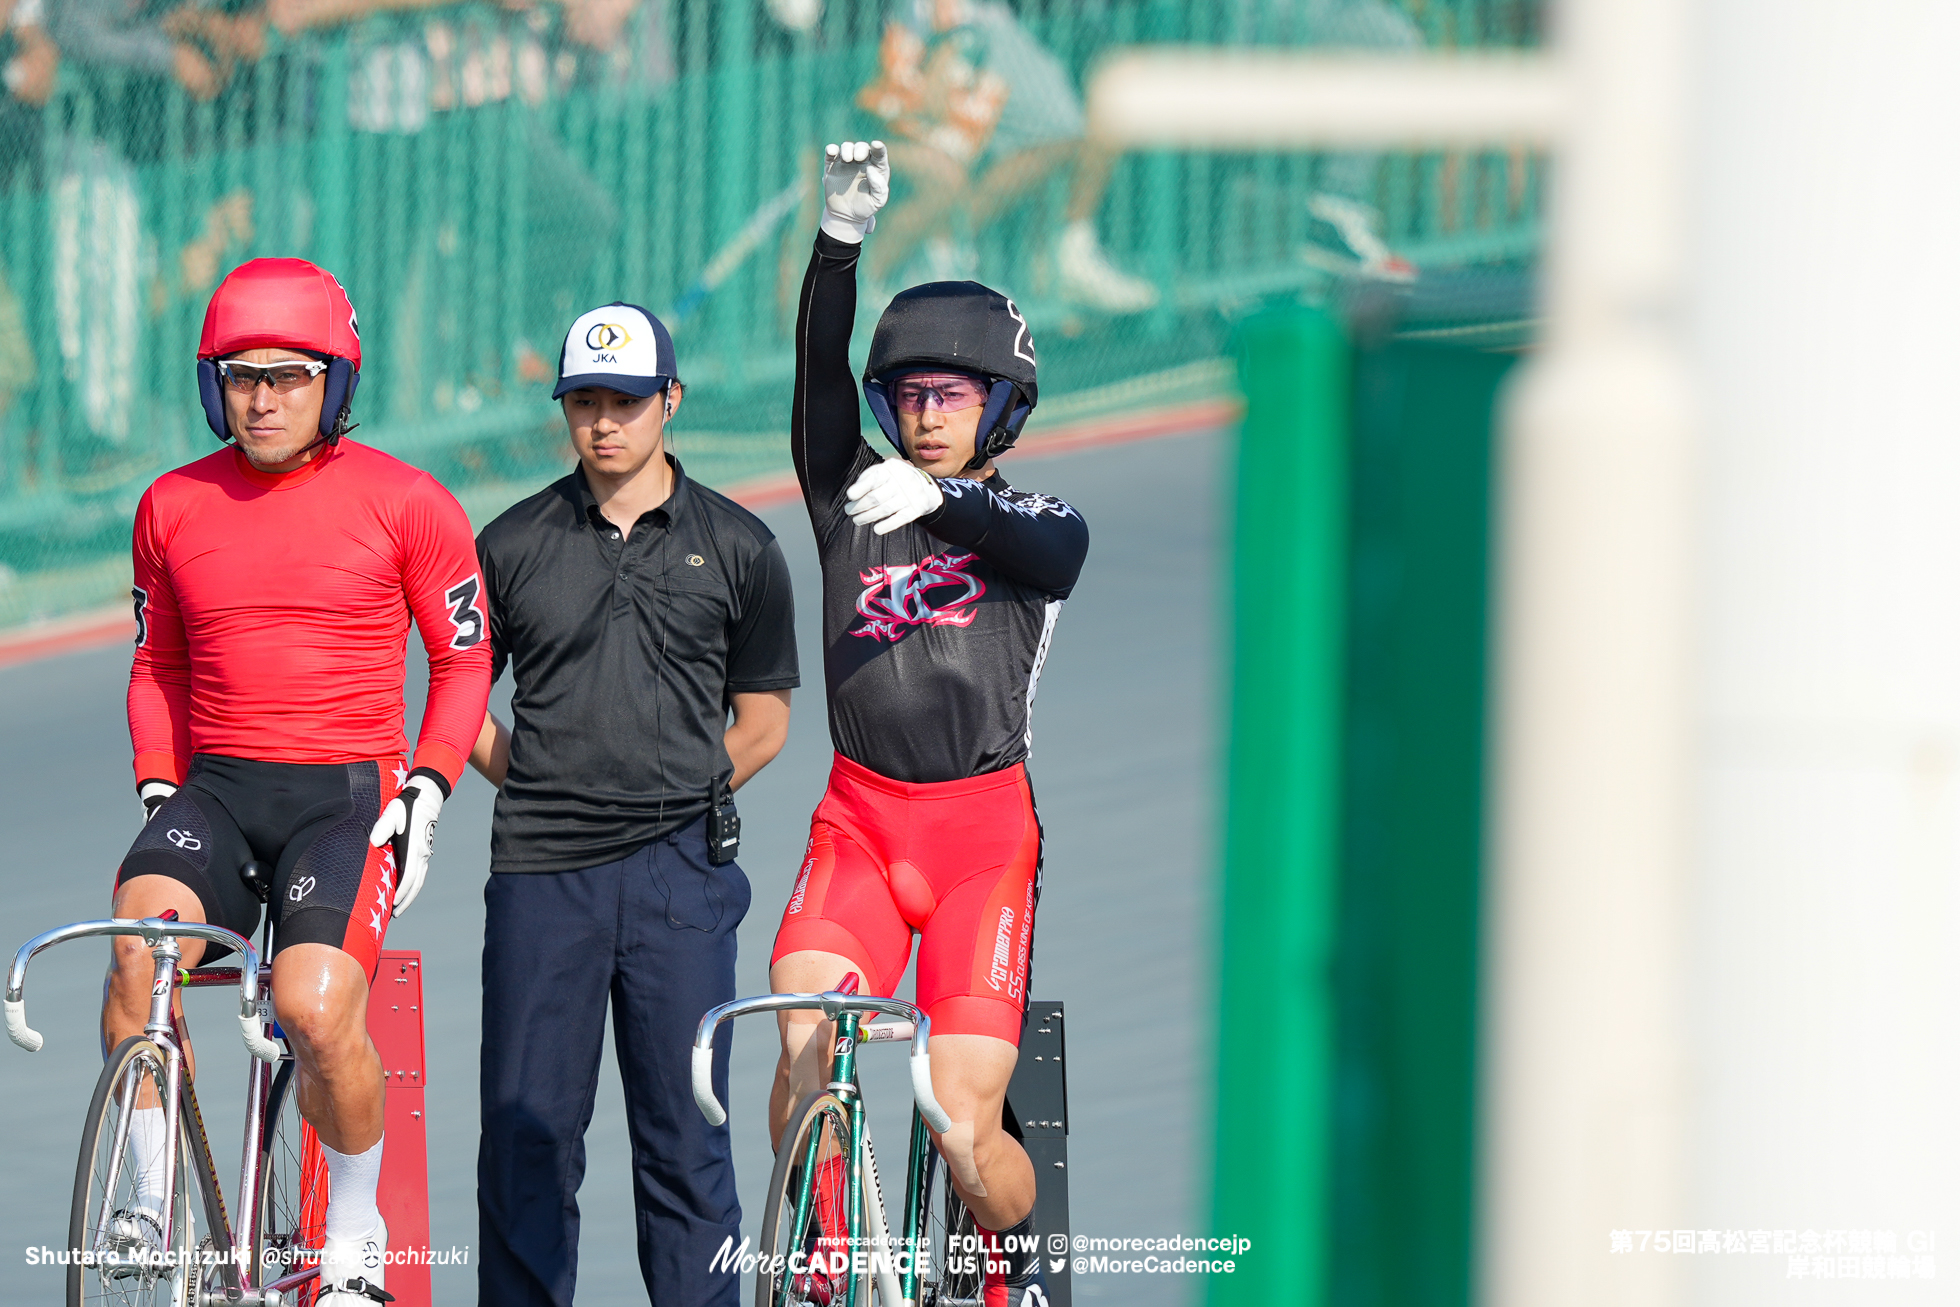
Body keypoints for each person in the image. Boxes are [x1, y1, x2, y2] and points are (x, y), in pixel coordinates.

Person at [112, 257, 493, 1303]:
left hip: (344, 797)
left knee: (316, 1009)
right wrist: (158, 788)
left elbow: (463, 661)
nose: (263, 397)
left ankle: (357, 1227)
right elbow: (158, 665)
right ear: (212, 384)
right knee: (138, 950)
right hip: (218, 790)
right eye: (241, 376)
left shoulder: (409, 502)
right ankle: (145, 1200)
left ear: (336, 383)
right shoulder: (169, 505)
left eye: (288, 375)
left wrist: (425, 793)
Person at [769, 139, 1088, 1307]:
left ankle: (1004, 1254)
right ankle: (828, 1239)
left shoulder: (1029, 520)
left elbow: (1053, 549)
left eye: (949, 396)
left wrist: (949, 500)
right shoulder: (849, 490)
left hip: (979, 840)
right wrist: (838, 240)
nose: (925, 415)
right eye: (908, 397)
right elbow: (813, 367)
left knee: (963, 1123)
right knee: (799, 1030)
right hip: (857, 818)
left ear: (999, 408)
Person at [469, 301, 799, 1307]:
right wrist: (541, 786)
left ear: (671, 399)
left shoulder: (740, 546)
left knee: (686, 1143)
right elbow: (458, 707)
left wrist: (674, 801)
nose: (604, 421)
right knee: (528, 1143)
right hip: (540, 877)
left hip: (682, 881)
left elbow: (764, 719)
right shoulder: (512, 541)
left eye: (625, 399)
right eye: (584, 401)